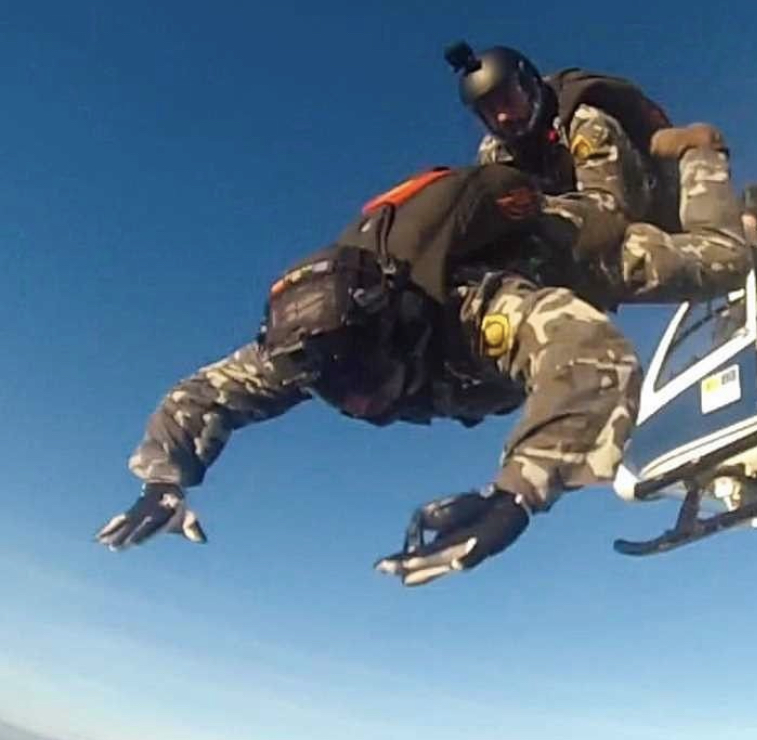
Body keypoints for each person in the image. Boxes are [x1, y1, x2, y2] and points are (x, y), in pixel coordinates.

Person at [95, 164, 641, 587]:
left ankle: (679, 164)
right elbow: (203, 395)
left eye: (361, 375)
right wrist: (162, 482)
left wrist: (517, 492)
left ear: (396, 329)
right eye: (330, 390)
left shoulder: (470, 312)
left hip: (566, 255)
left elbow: (586, 349)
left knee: (679, 259)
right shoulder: (310, 353)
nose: (354, 403)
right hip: (481, 366)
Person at [444, 41, 752, 308]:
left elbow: (607, 214)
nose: (502, 116)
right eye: (489, 111)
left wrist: (533, 211)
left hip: (662, 203)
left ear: (529, 85)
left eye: (508, 100)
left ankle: (749, 220)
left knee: (727, 261)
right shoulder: (495, 154)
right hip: (612, 227)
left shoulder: (585, 123)